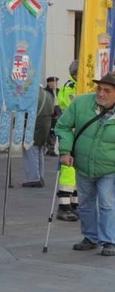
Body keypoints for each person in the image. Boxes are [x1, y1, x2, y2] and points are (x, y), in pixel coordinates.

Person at [58, 72, 115, 256]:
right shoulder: (81, 103)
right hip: (83, 164)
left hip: (109, 167)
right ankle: (90, 238)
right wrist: (65, 150)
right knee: (85, 203)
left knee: (106, 203)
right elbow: (63, 126)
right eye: (99, 88)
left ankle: (109, 241)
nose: (101, 93)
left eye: (107, 90)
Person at [57, 61, 80, 221]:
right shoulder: (71, 87)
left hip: (80, 134)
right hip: (71, 133)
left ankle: (74, 205)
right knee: (68, 172)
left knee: (78, 172)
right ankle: (64, 207)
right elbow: (69, 106)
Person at [23, 81, 55, 187]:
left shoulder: (32, 95)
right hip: (45, 128)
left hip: (34, 128)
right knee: (40, 153)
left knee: (31, 153)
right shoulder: (49, 95)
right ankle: (40, 176)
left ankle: (33, 178)